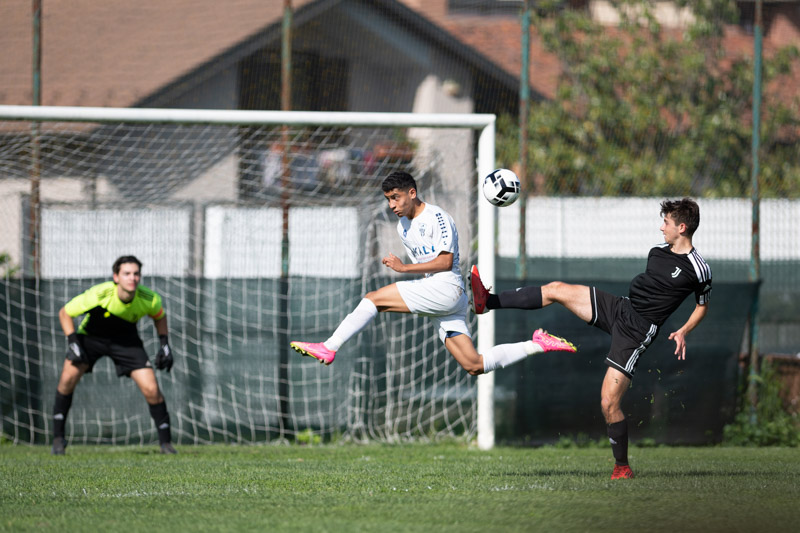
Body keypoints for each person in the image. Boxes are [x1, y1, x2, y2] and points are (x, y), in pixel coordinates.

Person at [470, 198, 712, 479]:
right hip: (619, 308)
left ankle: (622, 468)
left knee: (608, 403)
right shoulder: (658, 251)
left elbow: (702, 305)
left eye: (666, 223)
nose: (661, 227)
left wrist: (683, 330)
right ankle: (487, 301)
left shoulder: (699, 268)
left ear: (682, 227)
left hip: (636, 333)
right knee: (556, 289)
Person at [290, 170, 576, 377]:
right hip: (444, 297)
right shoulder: (403, 226)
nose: (392, 205)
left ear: (412, 193)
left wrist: (404, 268)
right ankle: (537, 344)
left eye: (396, 198)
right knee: (474, 365)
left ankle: (329, 346)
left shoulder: (437, 217)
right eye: (388, 199)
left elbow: (445, 262)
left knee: (373, 299)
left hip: (446, 287)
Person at [51, 255, 177, 455]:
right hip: (91, 337)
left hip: (126, 340)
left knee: (151, 388)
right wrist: (73, 342)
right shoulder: (100, 294)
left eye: (136, 274)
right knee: (67, 379)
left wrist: (164, 345)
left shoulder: (149, 299)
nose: (132, 278)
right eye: (126, 274)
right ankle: (58, 439)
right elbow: (64, 313)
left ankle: (166, 444)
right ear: (116, 277)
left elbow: (159, 316)